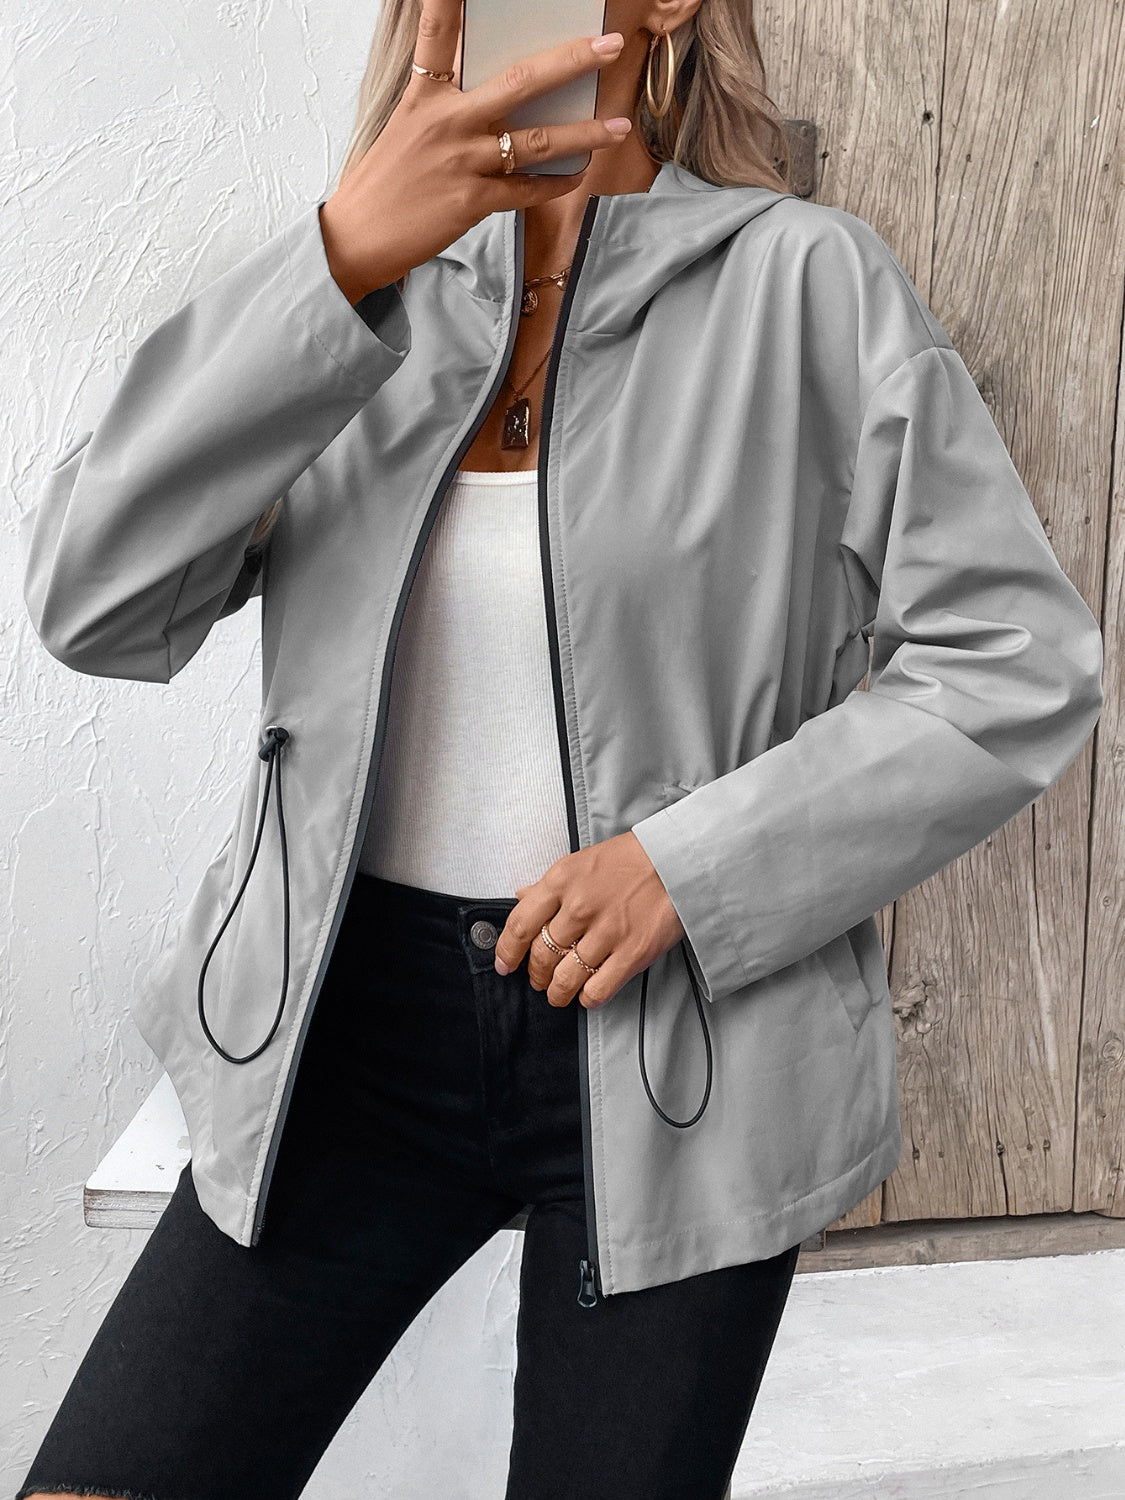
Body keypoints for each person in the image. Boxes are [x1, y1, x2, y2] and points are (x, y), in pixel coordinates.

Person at [15, 0, 1103, 1494]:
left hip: (674, 1045)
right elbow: (92, 605)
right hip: (342, 1030)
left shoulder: (807, 285)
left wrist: (690, 868)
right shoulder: (344, 294)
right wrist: (339, 258)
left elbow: (1015, 661)